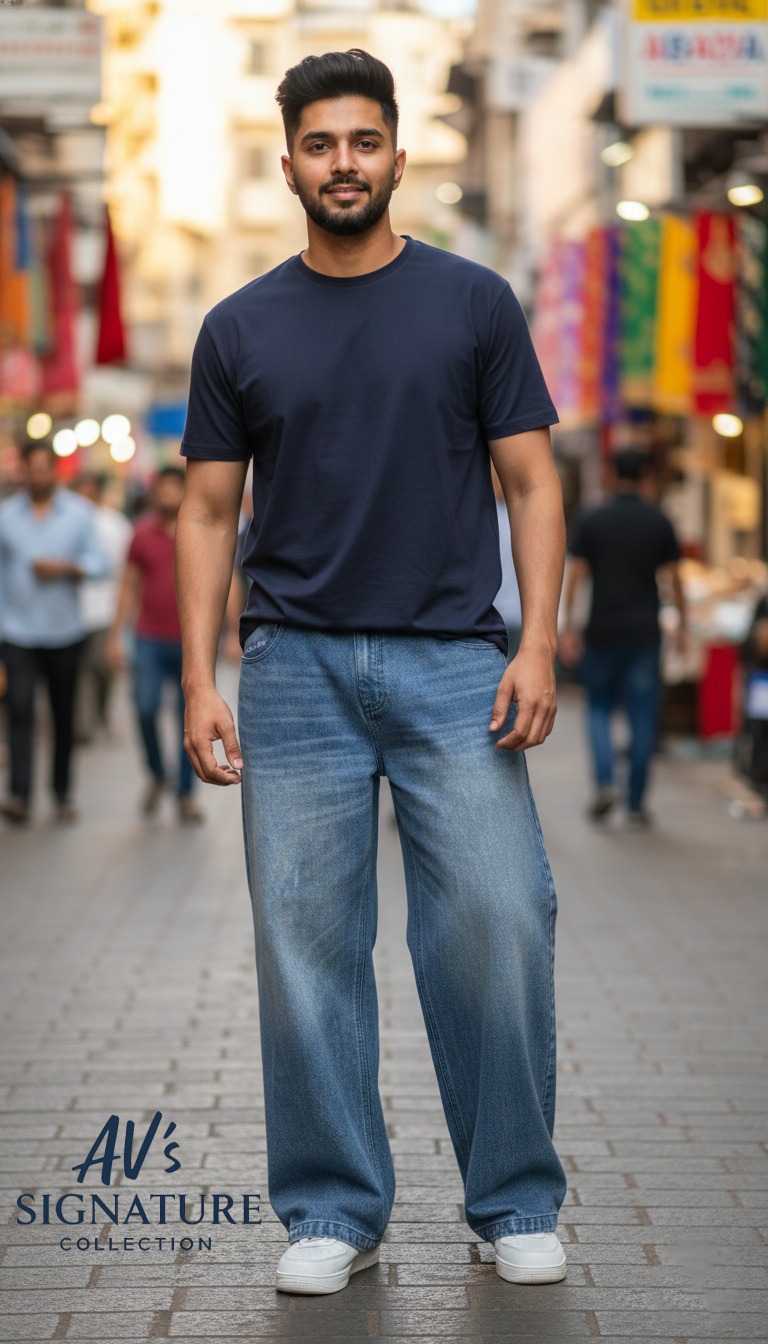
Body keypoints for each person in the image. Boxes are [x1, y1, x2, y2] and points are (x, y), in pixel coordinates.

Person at [176, 49, 568, 1295]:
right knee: (306, 945)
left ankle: (514, 1199)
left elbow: (533, 483)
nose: (341, 163)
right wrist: (197, 679)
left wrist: (539, 640)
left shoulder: (474, 303)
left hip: (456, 665)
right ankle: (333, 1210)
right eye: (318, 144)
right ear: (289, 162)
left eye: (361, 141)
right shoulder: (238, 326)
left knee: (500, 918)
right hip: (292, 672)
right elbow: (205, 511)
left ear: (398, 153)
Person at [561, 448, 686, 827]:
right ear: (646, 475)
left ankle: (604, 783)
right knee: (642, 713)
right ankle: (635, 802)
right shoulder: (659, 520)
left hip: (602, 629)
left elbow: (577, 575)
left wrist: (569, 626)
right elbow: (675, 578)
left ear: (611, 474)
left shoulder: (593, 518)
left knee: (598, 707)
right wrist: (682, 624)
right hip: (645, 631)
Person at [0, 440, 107, 824]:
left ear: (55, 471)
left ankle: (62, 793)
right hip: (17, 633)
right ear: (22, 471)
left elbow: (100, 564)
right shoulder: (6, 516)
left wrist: (65, 568)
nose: (37, 476)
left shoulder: (79, 514)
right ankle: (19, 795)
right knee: (20, 709)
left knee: (63, 715)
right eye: (30, 469)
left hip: (65, 632)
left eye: (44, 469)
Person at [108, 466, 203, 824]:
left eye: (174, 488)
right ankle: (157, 773)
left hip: (190, 640)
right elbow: (128, 584)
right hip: (148, 636)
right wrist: (115, 635)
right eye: (162, 488)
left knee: (189, 719)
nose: (167, 495)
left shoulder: (198, 531)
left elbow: (223, 581)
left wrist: (229, 632)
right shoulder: (141, 534)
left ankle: (185, 794)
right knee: (144, 707)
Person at [72, 472, 132, 742]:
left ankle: (103, 715)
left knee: (103, 668)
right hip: (73, 612)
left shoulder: (114, 524)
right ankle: (82, 725)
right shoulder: (68, 522)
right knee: (81, 670)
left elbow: (126, 570)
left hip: (105, 609)